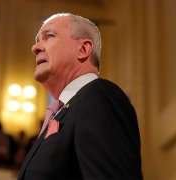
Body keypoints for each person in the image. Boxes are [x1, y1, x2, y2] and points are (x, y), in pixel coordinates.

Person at [18, 13, 143, 179]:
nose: (35, 48)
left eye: (49, 36)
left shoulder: (98, 96)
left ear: (83, 49)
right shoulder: (64, 112)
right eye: (37, 41)